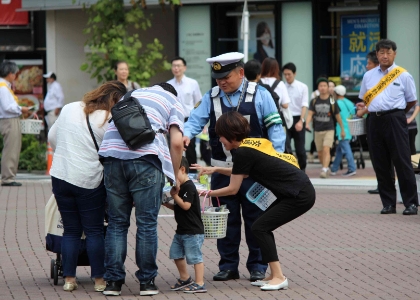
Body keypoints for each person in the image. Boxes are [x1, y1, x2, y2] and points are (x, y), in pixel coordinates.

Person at [183, 52, 285, 283]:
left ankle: (258, 266)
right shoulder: (212, 96)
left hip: (255, 171)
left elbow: (275, 127)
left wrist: (276, 158)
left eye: (226, 76)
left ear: (240, 73)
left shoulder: (260, 94)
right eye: (217, 78)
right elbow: (195, 120)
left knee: (256, 219)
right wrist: (186, 136)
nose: (221, 81)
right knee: (225, 220)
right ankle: (228, 265)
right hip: (222, 170)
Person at [191, 111, 315, 291]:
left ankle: (279, 277)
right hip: (298, 189)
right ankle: (273, 274)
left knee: (260, 227)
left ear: (232, 135)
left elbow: (233, 188)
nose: (220, 141)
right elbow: (242, 171)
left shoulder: (242, 153)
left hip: (298, 195)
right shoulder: (250, 146)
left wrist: (205, 193)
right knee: (262, 226)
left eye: (221, 136)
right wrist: (215, 169)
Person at [98, 83, 184, 296]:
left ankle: (113, 283)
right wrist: (175, 177)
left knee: (117, 222)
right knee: (146, 222)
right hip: (146, 159)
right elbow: (176, 143)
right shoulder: (173, 100)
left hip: (111, 157)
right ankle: (146, 282)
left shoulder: (131, 94)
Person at [48, 81, 127, 292]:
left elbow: (52, 137)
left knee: (71, 230)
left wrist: (68, 154)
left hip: (61, 176)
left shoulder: (69, 108)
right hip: (88, 180)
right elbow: (112, 151)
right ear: (114, 100)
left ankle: (69, 279)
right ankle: (99, 280)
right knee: (94, 231)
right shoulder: (107, 118)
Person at [356, 39, 419, 215]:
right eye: (381, 53)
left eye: (388, 52)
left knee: (402, 160)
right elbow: (364, 99)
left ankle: (411, 203)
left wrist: (396, 114)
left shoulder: (403, 75)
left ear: (394, 54)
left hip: (395, 119)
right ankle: (388, 203)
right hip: (374, 120)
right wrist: (364, 109)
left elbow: (411, 100)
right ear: (377, 55)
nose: (385, 56)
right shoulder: (369, 75)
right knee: (380, 162)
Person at [162, 157, 206, 294]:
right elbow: (178, 207)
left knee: (195, 257)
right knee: (175, 253)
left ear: (182, 169)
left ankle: (200, 283)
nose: (171, 181)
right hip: (181, 230)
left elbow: (186, 206)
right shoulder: (179, 187)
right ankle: (185, 278)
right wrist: (165, 203)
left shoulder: (189, 187)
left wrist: (174, 196)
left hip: (193, 231)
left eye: (173, 176)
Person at [167, 57, 202, 172]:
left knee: (190, 148)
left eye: (179, 65)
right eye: (174, 66)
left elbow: (198, 102)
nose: (176, 68)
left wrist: (202, 123)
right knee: (174, 147)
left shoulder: (192, 83)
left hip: (188, 119)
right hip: (174, 120)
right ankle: (175, 173)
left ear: (184, 68)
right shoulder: (168, 85)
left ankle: (192, 173)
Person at [306, 77, 345, 178]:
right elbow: (310, 114)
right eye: (320, 86)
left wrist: (342, 129)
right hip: (318, 129)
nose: (322, 88)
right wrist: (307, 124)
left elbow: (338, 116)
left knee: (326, 149)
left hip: (329, 129)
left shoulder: (332, 101)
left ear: (328, 87)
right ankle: (325, 167)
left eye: (324, 86)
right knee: (320, 153)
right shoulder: (314, 101)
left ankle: (324, 169)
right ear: (318, 88)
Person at [0, 61, 30, 187]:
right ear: (10, 73)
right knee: (11, 148)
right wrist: (21, 109)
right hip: (9, 120)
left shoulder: (4, 86)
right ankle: (8, 178)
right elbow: (7, 107)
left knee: (11, 148)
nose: (15, 76)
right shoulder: (3, 87)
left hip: (9, 119)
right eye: (15, 74)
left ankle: (9, 176)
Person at [282, 62, 309, 170]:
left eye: (289, 74)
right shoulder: (281, 86)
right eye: (285, 74)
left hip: (298, 118)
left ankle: (302, 170)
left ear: (295, 74)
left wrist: (301, 121)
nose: (287, 77)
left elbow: (304, 105)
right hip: (285, 118)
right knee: (286, 147)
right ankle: (291, 170)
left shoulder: (302, 87)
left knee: (300, 150)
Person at [330, 85, 357, 177]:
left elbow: (338, 117)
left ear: (336, 93)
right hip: (349, 129)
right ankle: (334, 169)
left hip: (341, 130)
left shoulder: (336, 103)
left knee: (346, 150)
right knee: (339, 150)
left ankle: (352, 168)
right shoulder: (350, 102)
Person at [365, 51, 381, 194]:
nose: (366, 66)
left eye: (369, 63)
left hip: (386, 120)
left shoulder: (393, 76)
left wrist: (364, 110)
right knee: (376, 154)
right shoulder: (368, 78)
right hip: (372, 120)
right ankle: (381, 184)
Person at [260, 58, 292, 130]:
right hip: (275, 119)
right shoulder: (280, 84)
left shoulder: (258, 82)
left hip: (260, 119)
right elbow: (285, 105)